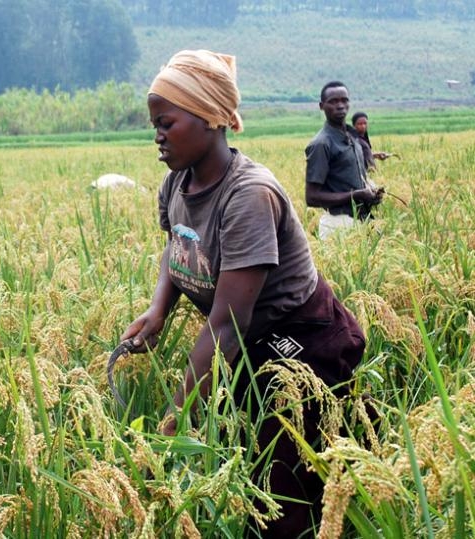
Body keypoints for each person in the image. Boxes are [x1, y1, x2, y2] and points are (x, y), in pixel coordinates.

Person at [119, 51, 366, 538]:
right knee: (250, 464)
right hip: (251, 346)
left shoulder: (248, 195)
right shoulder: (177, 184)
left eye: (166, 123)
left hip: (305, 346)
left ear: (210, 117)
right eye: (155, 124)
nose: (157, 135)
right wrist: (158, 309)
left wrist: (176, 417)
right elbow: (179, 246)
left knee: (282, 495)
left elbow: (226, 325)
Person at [305, 82, 384, 239]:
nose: (340, 106)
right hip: (338, 224)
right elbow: (312, 197)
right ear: (321, 106)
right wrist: (358, 195)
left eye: (344, 100)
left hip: (362, 221)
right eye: (333, 102)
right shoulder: (322, 144)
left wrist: (371, 194)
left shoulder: (353, 137)